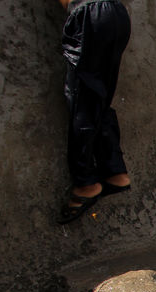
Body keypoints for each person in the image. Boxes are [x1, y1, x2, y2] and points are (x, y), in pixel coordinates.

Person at [58, 0, 132, 224]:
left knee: (82, 99)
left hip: (90, 13)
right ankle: (115, 172)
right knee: (99, 96)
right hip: (116, 13)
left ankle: (86, 183)